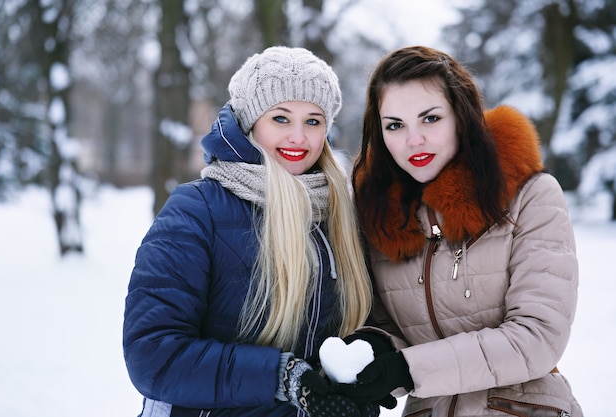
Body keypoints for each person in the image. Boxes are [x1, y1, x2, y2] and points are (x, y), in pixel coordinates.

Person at [123, 46, 378, 417]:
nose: (298, 137)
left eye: (313, 121)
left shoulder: (338, 214)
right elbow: (154, 356)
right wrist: (281, 376)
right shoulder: (196, 211)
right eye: (280, 118)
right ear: (249, 122)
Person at [334, 45, 584, 416]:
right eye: (395, 125)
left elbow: (537, 338)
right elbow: (394, 329)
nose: (413, 140)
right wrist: (376, 350)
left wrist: (409, 368)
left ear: (461, 117)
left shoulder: (528, 197)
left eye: (430, 119)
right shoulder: (382, 217)